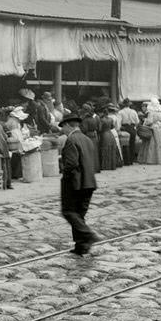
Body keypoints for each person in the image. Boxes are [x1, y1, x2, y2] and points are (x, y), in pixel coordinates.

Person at [59, 107, 99, 255]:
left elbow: (71, 164)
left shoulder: (71, 140)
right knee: (79, 215)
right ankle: (81, 246)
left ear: (68, 125)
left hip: (75, 184)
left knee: (69, 211)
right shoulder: (87, 139)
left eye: (63, 127)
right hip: (89, 182)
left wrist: (64, 171)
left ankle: (88, 235)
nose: (62, 130)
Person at [137, 101, 161, 166]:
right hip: (159, 128)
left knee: (151, 144)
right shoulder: (159, 113)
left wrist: (145, 121)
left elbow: (150, 121)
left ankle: (152, 159)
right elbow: (160, 120)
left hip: (153, 128)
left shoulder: (151, 113)